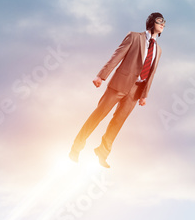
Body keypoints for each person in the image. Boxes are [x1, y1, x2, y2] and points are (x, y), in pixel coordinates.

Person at [69, 12, 164, 168]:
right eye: (160, 21)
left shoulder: (158, 50)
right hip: (119, 84)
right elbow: (117, 56)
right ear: (151, 22)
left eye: (164, 23)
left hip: (136, 91)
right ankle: (76, 147)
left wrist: (144, 95)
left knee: (117, 123)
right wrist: (101, 76)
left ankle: (102, 152)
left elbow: (151, 73)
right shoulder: (134, 37)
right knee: (98, 115)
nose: (163, 24)